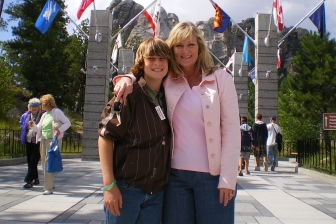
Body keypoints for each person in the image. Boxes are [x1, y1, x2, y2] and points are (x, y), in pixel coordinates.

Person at [114, 21, 240, 224]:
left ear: (200, 46)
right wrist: (128, 78)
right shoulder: (167, 78)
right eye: (178, 45)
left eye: (190, 44)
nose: (185, 51)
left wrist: (228, 178)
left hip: (213, 177)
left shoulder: (221, 80)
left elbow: (232, 131)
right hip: (174, 177)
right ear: (172, 49)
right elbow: (145, 73)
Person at [98, 38, 174, 224]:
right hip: (126, 190)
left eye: (163, 58)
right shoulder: (129, 94)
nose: (157, 63)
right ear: (142, 62)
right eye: (152, 58)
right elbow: (105, 136)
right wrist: (109, 186)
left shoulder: (166, 96)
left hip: (156, 194)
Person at [29, 94, 71, 195]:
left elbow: (67, 123)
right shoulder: (45, 114)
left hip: (52, 140)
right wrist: (33, 125)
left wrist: (59, 131)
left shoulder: (56, 112)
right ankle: (50, 184)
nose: (40, 105)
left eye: (42, 103)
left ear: (47, 103)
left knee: (48, 162)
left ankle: (48, 188)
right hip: (43, 140)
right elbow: (39, 128)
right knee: (44, 163)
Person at [19, 97, 44, 189]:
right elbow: (21, 123)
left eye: (36, 106)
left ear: (39, 107)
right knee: (30, 160)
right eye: (32, 106)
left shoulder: (42, 115)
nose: (33, 108)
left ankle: (29, 180)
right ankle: (36, 178)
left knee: (34, 160)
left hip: (38, 140)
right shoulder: (26, 115)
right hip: (29, 139)